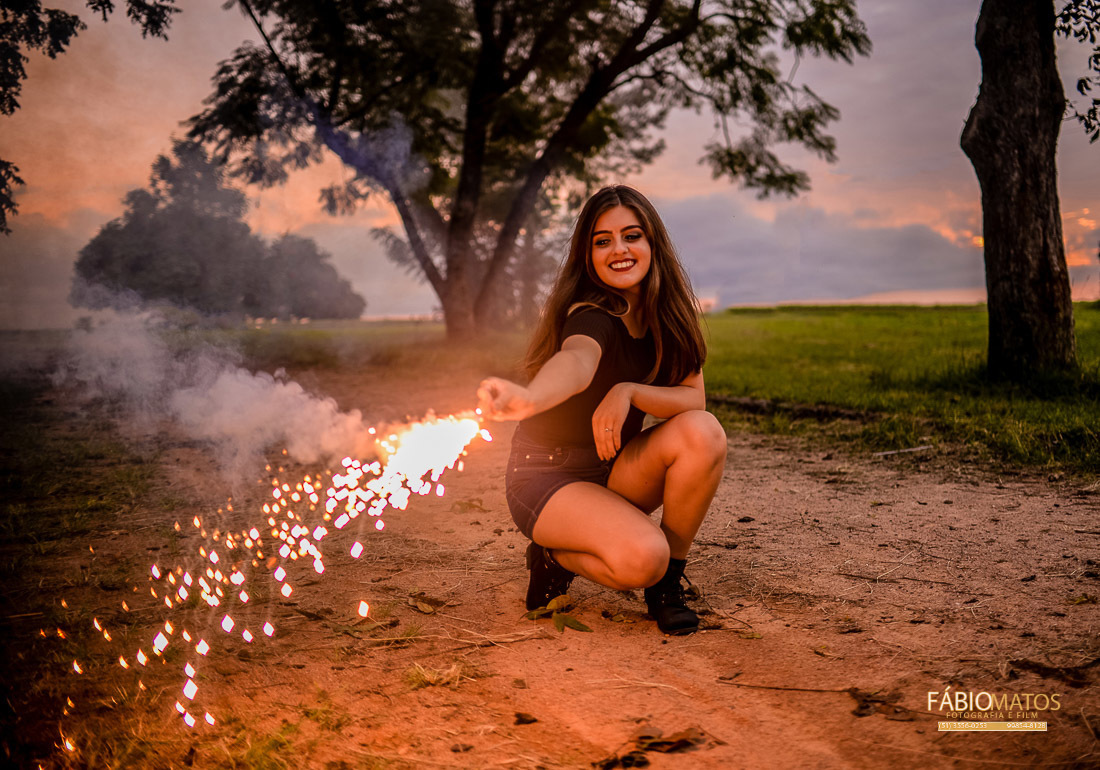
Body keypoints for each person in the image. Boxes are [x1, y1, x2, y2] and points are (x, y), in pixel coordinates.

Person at [477, 185, 727, 635]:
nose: (619, 250)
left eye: (631, 236)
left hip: (612, 468)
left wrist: (630, 391)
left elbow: (694, 400)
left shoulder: (668, 317)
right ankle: (551, 554)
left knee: (703, 431)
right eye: (602, 240)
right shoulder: (592, 314)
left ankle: (667, 585)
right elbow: (576, 361)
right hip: (546, 476)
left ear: (653, 243)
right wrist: (530, 398)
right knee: (642, 558)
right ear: (587, 254)